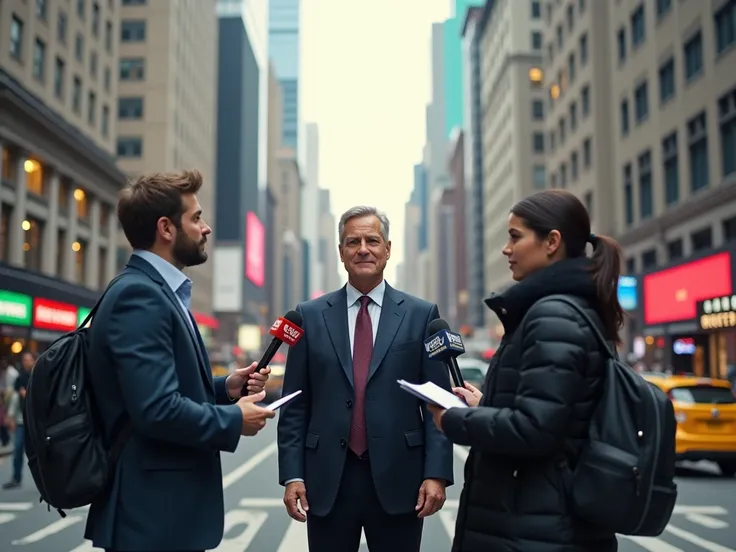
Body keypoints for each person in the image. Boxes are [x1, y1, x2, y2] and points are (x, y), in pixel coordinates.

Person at [84, 170, 275, 552]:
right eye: (196, 218)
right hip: (153, 517)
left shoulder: (156, 292)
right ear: (166, 228)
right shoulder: (140, 296)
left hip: (161, 515)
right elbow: (155, 409)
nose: (205, 229)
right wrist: (235, 418)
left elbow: (160, 390)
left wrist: (225, 388)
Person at [428, 190, 620, 552]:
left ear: (552, 242)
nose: (506, 248)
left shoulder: (554, 317)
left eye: (516, 237)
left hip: (537, 528)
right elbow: (556, 413)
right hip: (535, 522)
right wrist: (485, 405)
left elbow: (535, 430)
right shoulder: (559, 311)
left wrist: (453, 419)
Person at [277, 206, 454, 552]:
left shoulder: (422, 316)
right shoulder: (309, 316)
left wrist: (436, 473)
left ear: (388, 249)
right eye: (352, 241)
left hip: (400, 478)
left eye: (372, 240)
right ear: (341, 252)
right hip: (327, 479)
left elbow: (438, 403)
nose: (363, 249)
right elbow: (295, 406)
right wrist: (293, 475)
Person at [2, 351, 32, 489]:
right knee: (18, 448)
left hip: (34, 422)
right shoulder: (19, 378)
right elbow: (14, 398)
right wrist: (10, 417)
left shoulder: (37, 376)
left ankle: (46, 481)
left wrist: (28, 395)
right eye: (24, 360)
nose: (26, 362)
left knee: (40, 452)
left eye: (28, 359)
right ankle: (16, 477)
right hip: (21, 421)